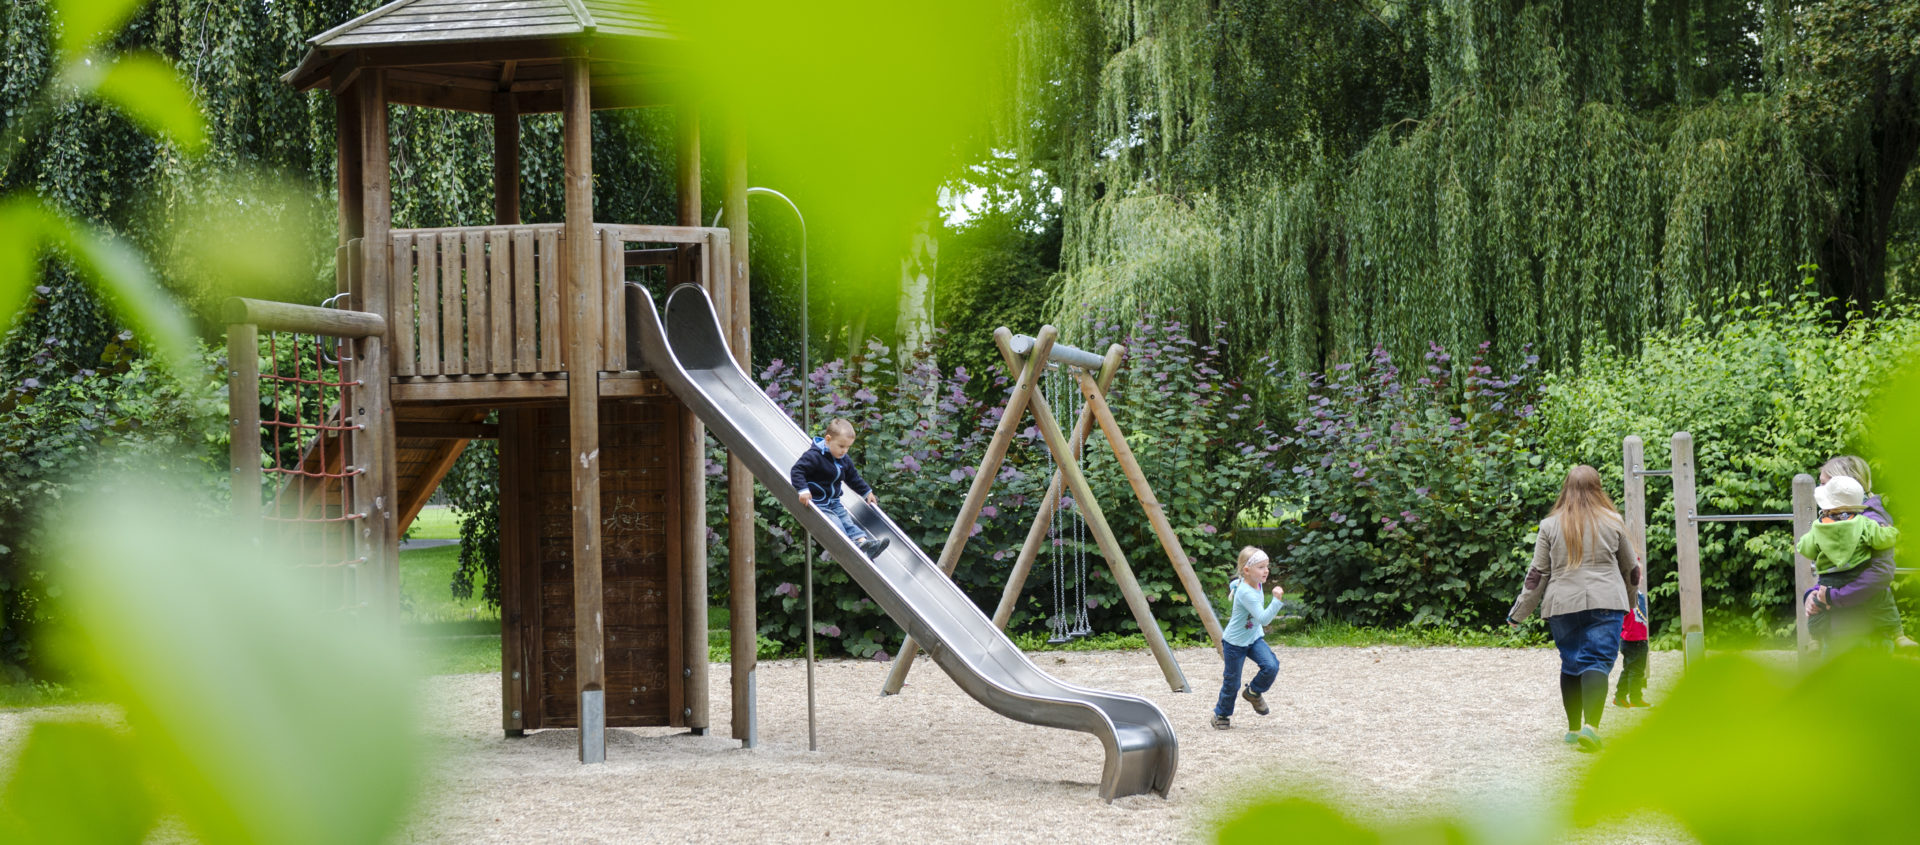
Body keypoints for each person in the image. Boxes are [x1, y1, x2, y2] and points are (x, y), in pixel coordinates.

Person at [1509, 465, 1637, 752]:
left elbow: (1537, 574)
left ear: (1565, 488)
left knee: (1571, 662)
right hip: (1606, 602)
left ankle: (1573, 729)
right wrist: (1629, 605)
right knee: (1597, 663)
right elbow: (1632, 570)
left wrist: (1519, 612)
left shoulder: (1550, 525)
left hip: (1562, 604)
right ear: (1598, 488)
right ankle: (1590, 728)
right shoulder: (1613, 521)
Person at [1800, 465, 1900, 651]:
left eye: (1824, 484)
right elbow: (1838, 569)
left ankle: (1898, 635)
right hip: (1841, 623)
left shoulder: (1869, 519)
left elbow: (1880, 573)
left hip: (1861, 628)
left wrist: (1831, 597)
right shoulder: (1843, 519)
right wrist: (1813, 594)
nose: (1820, 490)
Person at [790, 418, 889, 558]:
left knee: (847, 521)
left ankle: (865, 544)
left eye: (848, 447)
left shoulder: (844, 459)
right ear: (828, 439)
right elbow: (797, 471)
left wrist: (867, 492)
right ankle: (851, 545)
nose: (844, 451)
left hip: (834, 501)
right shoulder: (814, 456)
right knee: (836, 524)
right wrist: (803, 490)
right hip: (818, 502)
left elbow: (853, 478)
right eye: (841, 446)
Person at [1211, 546, 1285, 730]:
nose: (1266, 570)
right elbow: (1264, 619)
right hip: (1234, 643)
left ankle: (1253, 692)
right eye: (1261, 567)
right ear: (1247, 571)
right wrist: (1276, 600)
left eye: (1267, 566)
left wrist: (1234, 585)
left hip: (1253, 638)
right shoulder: (1246, 592)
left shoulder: (1253, 583)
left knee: (1271, 666)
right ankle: (1221, 715)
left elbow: (1235, 583)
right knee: (1232, 682)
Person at [1613, 588, 1651, 708]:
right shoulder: (1630, 596)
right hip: (1635, 640)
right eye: (1638, 575)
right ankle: (1635, 699)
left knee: (1629, 669)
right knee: (1637, 671)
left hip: (1632, 639)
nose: (1641, 577)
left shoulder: (1632, 594)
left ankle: (1620, 697)